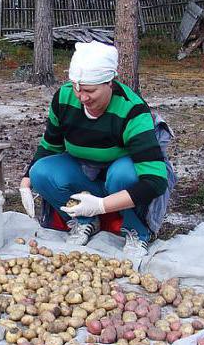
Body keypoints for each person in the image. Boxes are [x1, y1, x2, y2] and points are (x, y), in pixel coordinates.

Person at [19, 41, 174, 269]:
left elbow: (156, 181)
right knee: (41, 172)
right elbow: (50, 145)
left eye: (90, 90)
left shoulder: (132, 110)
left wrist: (101, 205)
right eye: (76, 88)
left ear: (109, 83)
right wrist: (25, 181)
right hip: (83, 171)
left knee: (124, 173)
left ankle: (136, 229)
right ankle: (84, 220)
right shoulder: (63, 98)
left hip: (118, 177)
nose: (81, 97)